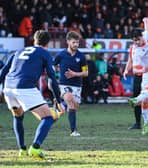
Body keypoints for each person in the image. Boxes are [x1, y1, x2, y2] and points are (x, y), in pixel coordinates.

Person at [0, 30, 65, 159]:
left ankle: (22, 150)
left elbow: (3, 71)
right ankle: (35, 148)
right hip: (25, 87)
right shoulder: (45, 53)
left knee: (18, 117)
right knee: (48, 118)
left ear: (34, 40)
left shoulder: (19, 51)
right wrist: (58, 100)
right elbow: (51, 80)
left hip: (9, 87)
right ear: (48, 43)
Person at [53, 31, 88, 136]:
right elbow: (53, 66)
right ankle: (73, 131)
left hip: (77, 86)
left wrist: (74, 74)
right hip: (64, 85)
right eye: (74, 42)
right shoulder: (61, 55)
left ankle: (58, 106)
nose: (76, 44)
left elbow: (86, 73)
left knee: (73, 107)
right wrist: (56, 75)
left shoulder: (81, 56)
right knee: (70, 100)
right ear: (68, 42)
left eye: (77, 42)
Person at [123, 47, 148, 131]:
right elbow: (130, 60)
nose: (135, 41)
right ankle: (138, 123)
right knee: (136, 100)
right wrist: (126, 70)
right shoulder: (132, 48)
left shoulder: (147, 47)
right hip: (137, 77)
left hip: (146, 77)